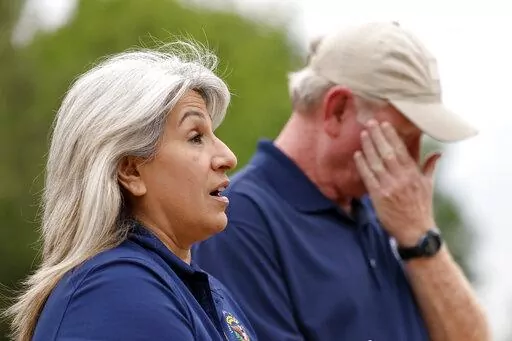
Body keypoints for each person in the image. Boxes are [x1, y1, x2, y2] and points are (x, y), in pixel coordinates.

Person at [193, 22, 491, 341]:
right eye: (403, 137)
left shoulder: (388, 215)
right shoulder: (237, 221)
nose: (412, 159)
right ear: (337, 110)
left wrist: (420, 237)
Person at [6, 42, 256, 341]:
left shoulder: (193, 288)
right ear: (131, 171)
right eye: (195, 137)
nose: (228, 157)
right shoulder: (116, 292)